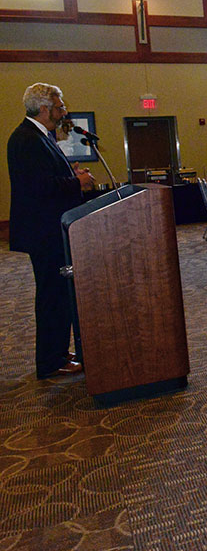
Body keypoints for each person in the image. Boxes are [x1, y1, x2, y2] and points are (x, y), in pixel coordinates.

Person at [7, 83, 95, 379]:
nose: (63, 113)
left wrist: (71, 175)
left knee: (57, 294)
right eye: (59, 108)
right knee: (51, 296)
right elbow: (39, 188)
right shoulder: (28, 139)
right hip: (44, 232)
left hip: (48, 229)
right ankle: (50, 360)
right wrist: (77, 183)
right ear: (43, 109)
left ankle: (56, 352)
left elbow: (45, 178)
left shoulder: (37, 136)